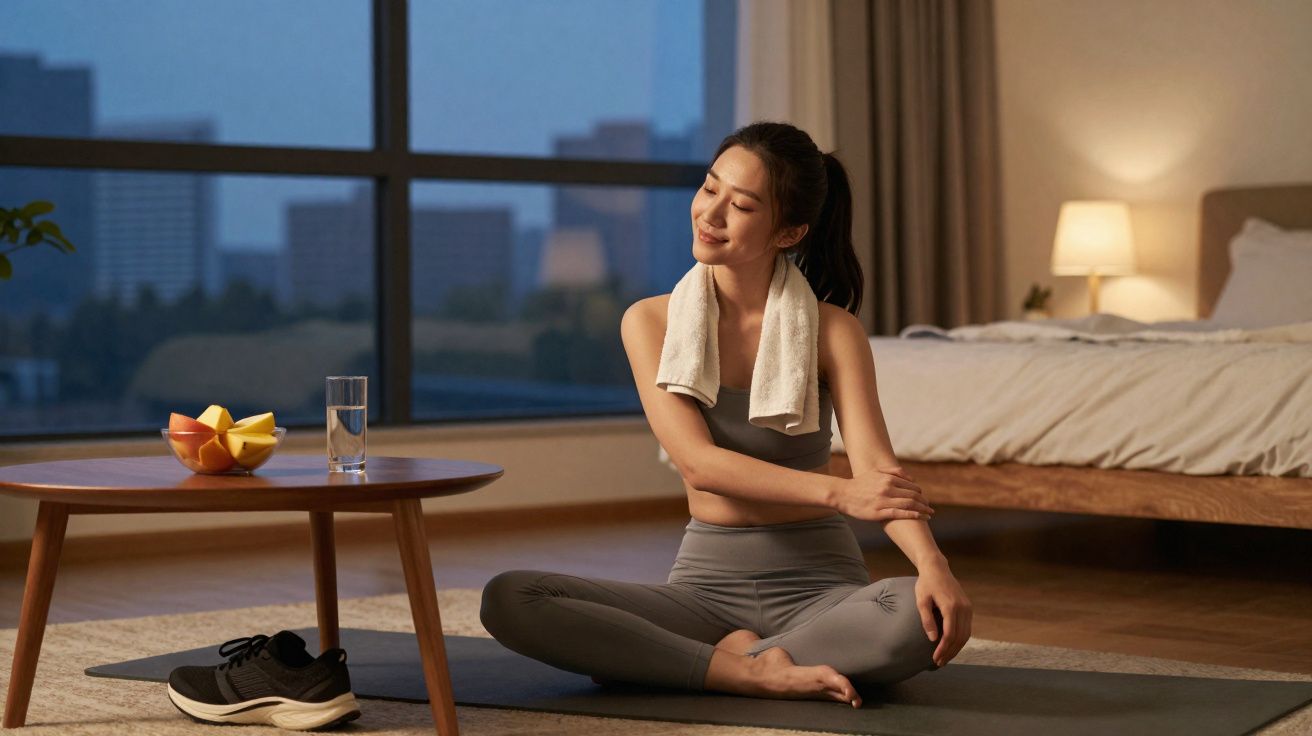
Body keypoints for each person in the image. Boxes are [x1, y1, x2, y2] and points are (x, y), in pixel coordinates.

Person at [480, 121, 973, 709]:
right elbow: (700, 464)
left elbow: (877, 469)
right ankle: (747, 671)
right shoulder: (650, 321)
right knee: (511, 598)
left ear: (789, 231)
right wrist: (840, 494)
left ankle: (707, 660)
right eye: (709, 188)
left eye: (739, 205)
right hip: (703, 592)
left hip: (820, 589)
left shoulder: (831, 330)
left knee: (914, 614)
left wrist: (934, 564)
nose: (710, 214)